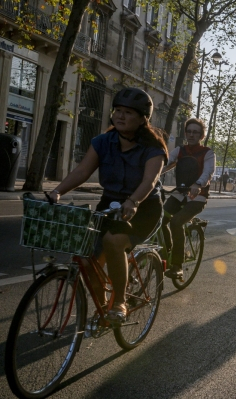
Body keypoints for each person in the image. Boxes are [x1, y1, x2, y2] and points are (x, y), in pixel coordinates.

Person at [48, 87, 167, 324]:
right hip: (109, 204)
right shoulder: (103, 142)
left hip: (143, 207)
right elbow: (82, 171)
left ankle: (120, 301)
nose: (120, 116)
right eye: (118, 111)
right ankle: (102, 308)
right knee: (84, 257)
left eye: (129, 113)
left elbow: (150, 181)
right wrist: (57, 191)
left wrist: (132, 202)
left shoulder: (154, 147)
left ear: (144, 119)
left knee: (113, 241)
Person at [161, 117, 215, 279]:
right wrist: (151, 175)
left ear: (201, 135)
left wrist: (198, 184)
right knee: (160, 218)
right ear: (185, 133)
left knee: (176, 221)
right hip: (180, 193)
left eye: (195, 132)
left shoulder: (207, 153)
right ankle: (169, 249)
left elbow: (208, 172)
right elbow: (166, 163)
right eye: (189, 131)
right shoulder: (180, 150)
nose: (191, 135)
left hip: (197, 196)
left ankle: (177, 265)